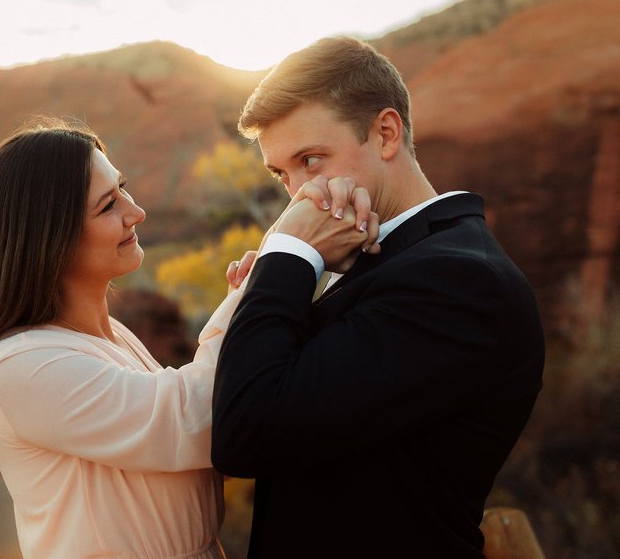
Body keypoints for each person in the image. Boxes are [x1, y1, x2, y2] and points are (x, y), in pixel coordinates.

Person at [0, 120, 369, 558]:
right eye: (108, 205)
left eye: (122, 188)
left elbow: (203, 417)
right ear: (49, 236)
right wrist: (278, 261)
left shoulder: (114, 337)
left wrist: (255, 294)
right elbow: (198, 419)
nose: (135, 211)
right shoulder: (21, 364)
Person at [211, 37, 545, 557]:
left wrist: (289, 256)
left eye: (312, 159)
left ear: (386, 133)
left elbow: (247, 433)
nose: (298, 192)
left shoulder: (458, 280)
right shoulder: (376, 259)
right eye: (282, 173)